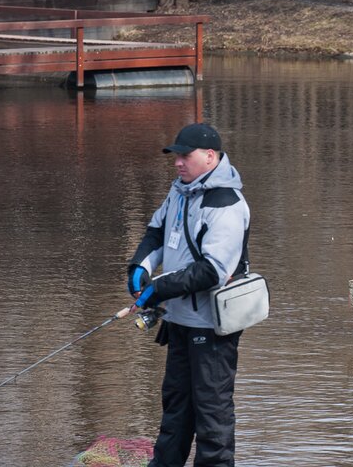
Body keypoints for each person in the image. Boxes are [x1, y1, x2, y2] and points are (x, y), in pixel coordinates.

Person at [127, 122, 250, 467]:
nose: (177, 163)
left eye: (185, 156)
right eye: (175, 156)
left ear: (209, 157)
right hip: (179, 320)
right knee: (176, 407)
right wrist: (139, 268)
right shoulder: (179, 191)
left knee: (212, 413)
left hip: (212, 327)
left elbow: (212, 270)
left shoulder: (226, 202)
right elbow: (156, 231)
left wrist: (158, 288)